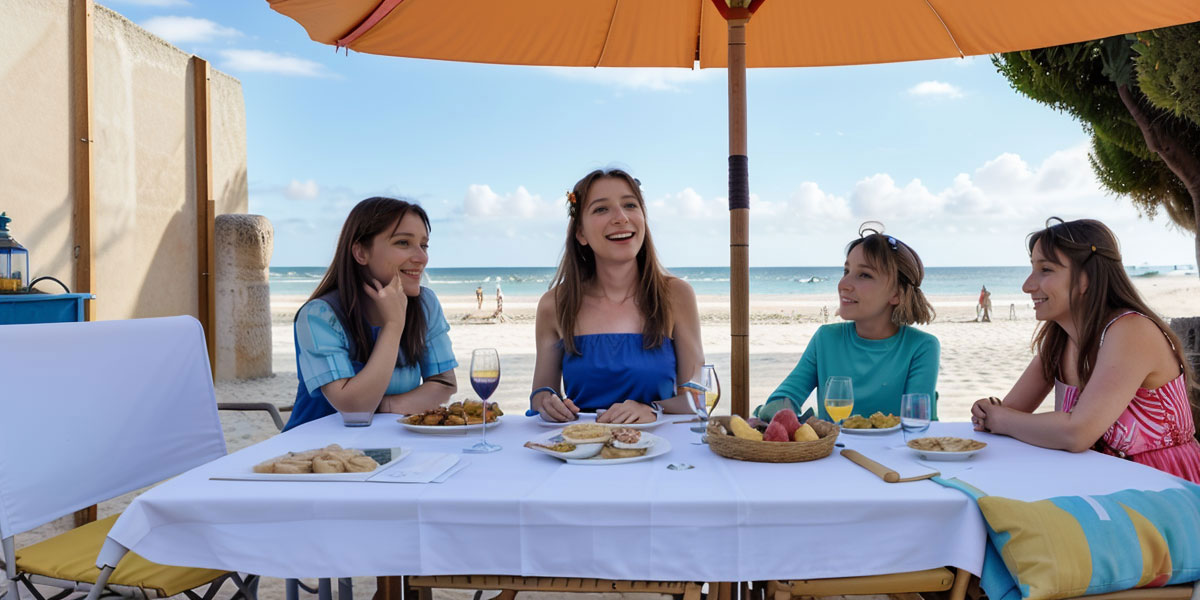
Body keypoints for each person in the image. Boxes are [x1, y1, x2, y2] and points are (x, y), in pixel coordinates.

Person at [971, 218, 1200, 483]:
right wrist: (990, 413)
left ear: (1085, 278)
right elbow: (1010, 413)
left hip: (1159, 486)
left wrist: (999, 418)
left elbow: (1077, 432)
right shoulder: (1059, 340)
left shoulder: (1131, 331)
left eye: (1045, 270)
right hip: (1097, 482)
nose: (1027, 286)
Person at [529, 168, 703, 424]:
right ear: (581, 234)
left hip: (660, 451)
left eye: (630, 205)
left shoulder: (676, 295)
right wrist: (547, 402)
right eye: (601, 209)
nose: (621, 217)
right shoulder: (554, 304)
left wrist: (653, 410)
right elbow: (541, 394)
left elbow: (697, 399)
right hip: (581, 452)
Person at [283, 197, 458, 431]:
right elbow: (356, 410)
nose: (421, 257)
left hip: (393, 444)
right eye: (403, 243)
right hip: (318, 453)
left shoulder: (425, 304)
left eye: (423, 245)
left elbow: (444, 383)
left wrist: (386, 405)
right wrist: (393, 326)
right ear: (361, 252)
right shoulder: (320, 315)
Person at [755, 225, 940, 421]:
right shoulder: (826, 339)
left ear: (897, 293)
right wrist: (778, 413)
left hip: (894, 452)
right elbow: (786, 398)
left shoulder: (921, 347)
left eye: (864, 275)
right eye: (846, 271)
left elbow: (919, 424)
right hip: (834, 452)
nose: (843, 285)